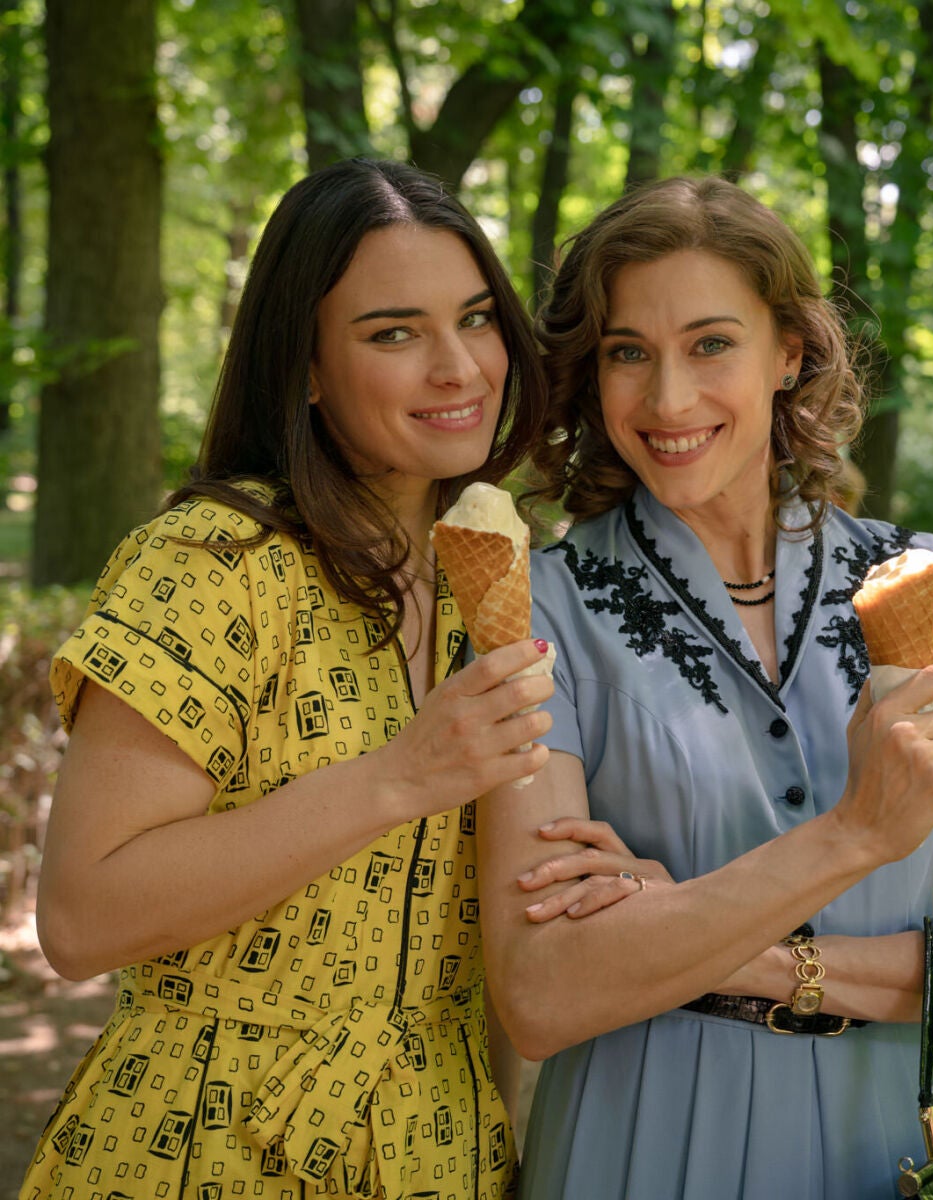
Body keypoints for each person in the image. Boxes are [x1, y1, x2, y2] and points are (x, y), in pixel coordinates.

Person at [476, 176, 933, 1200]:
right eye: (629, 353)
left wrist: (727, 952)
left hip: (910, 1144)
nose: (668, 400)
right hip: (645, 1149)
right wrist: (854, 835)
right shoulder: (541, 611)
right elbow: (542, 992)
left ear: (789, 354)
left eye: (712, 343)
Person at [21, 158, 553, 1200]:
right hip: (208, 1150)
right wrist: (397, 779)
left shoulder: (489, 579)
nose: (460, 367)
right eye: (393, 332)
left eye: (478, 318)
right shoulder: (211, 567)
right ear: (305, 367)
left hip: (440, 1154)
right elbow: (82, 918)